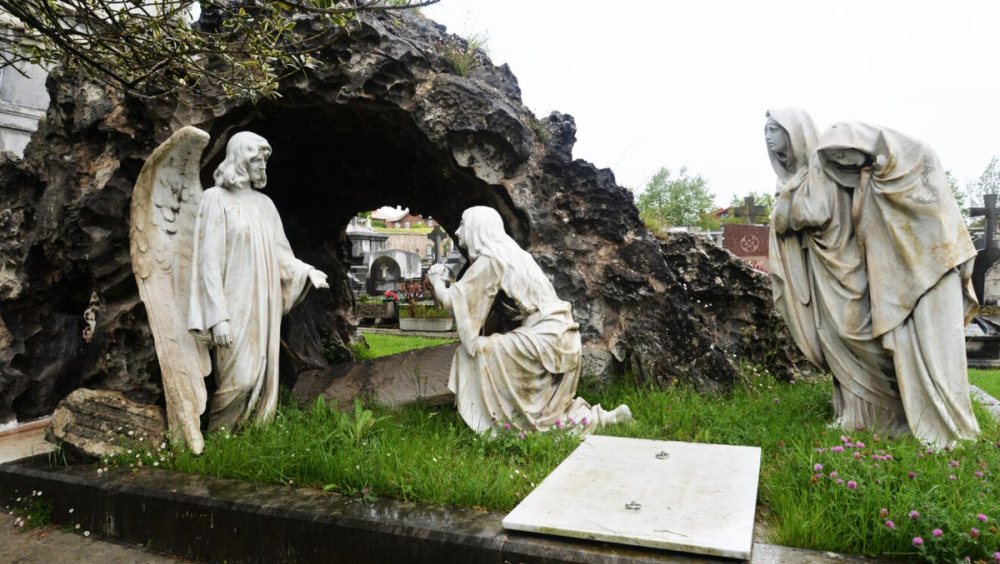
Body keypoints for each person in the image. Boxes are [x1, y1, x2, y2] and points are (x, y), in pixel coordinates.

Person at [813, 121, 980, 446]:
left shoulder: (917, 157)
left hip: (935, 277)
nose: (845, 162)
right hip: (897, 286)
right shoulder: (867, 182)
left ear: (861, 140)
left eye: (845, 152)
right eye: (836, 158)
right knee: (907, 357)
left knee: (939, 357)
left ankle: (949, 427)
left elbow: (939, 216)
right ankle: (914, 420)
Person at [427, 206, 630, 434]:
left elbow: (457, 302)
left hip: (544, 338)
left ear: (477, 227)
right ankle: (602, 419)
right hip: (562, 334)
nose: (457, 230)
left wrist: (437, 282)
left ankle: (496, 424)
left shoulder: (491, 260)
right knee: (549, 408)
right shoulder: (515, 254)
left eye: (463, 223)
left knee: (473, 353)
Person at [188, 131, 328, 431]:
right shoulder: (215, 199)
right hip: (233, 302)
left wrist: (306, 272)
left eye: (265, 161)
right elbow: (207, 262)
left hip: (263, 305)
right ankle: (219, 434)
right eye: (257, 160)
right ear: (240, 159)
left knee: (261, 374)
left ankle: (250, 435)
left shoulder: (265, 204)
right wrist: (217, 317)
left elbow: (281, 254)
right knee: (240, 377)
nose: (263, 167)